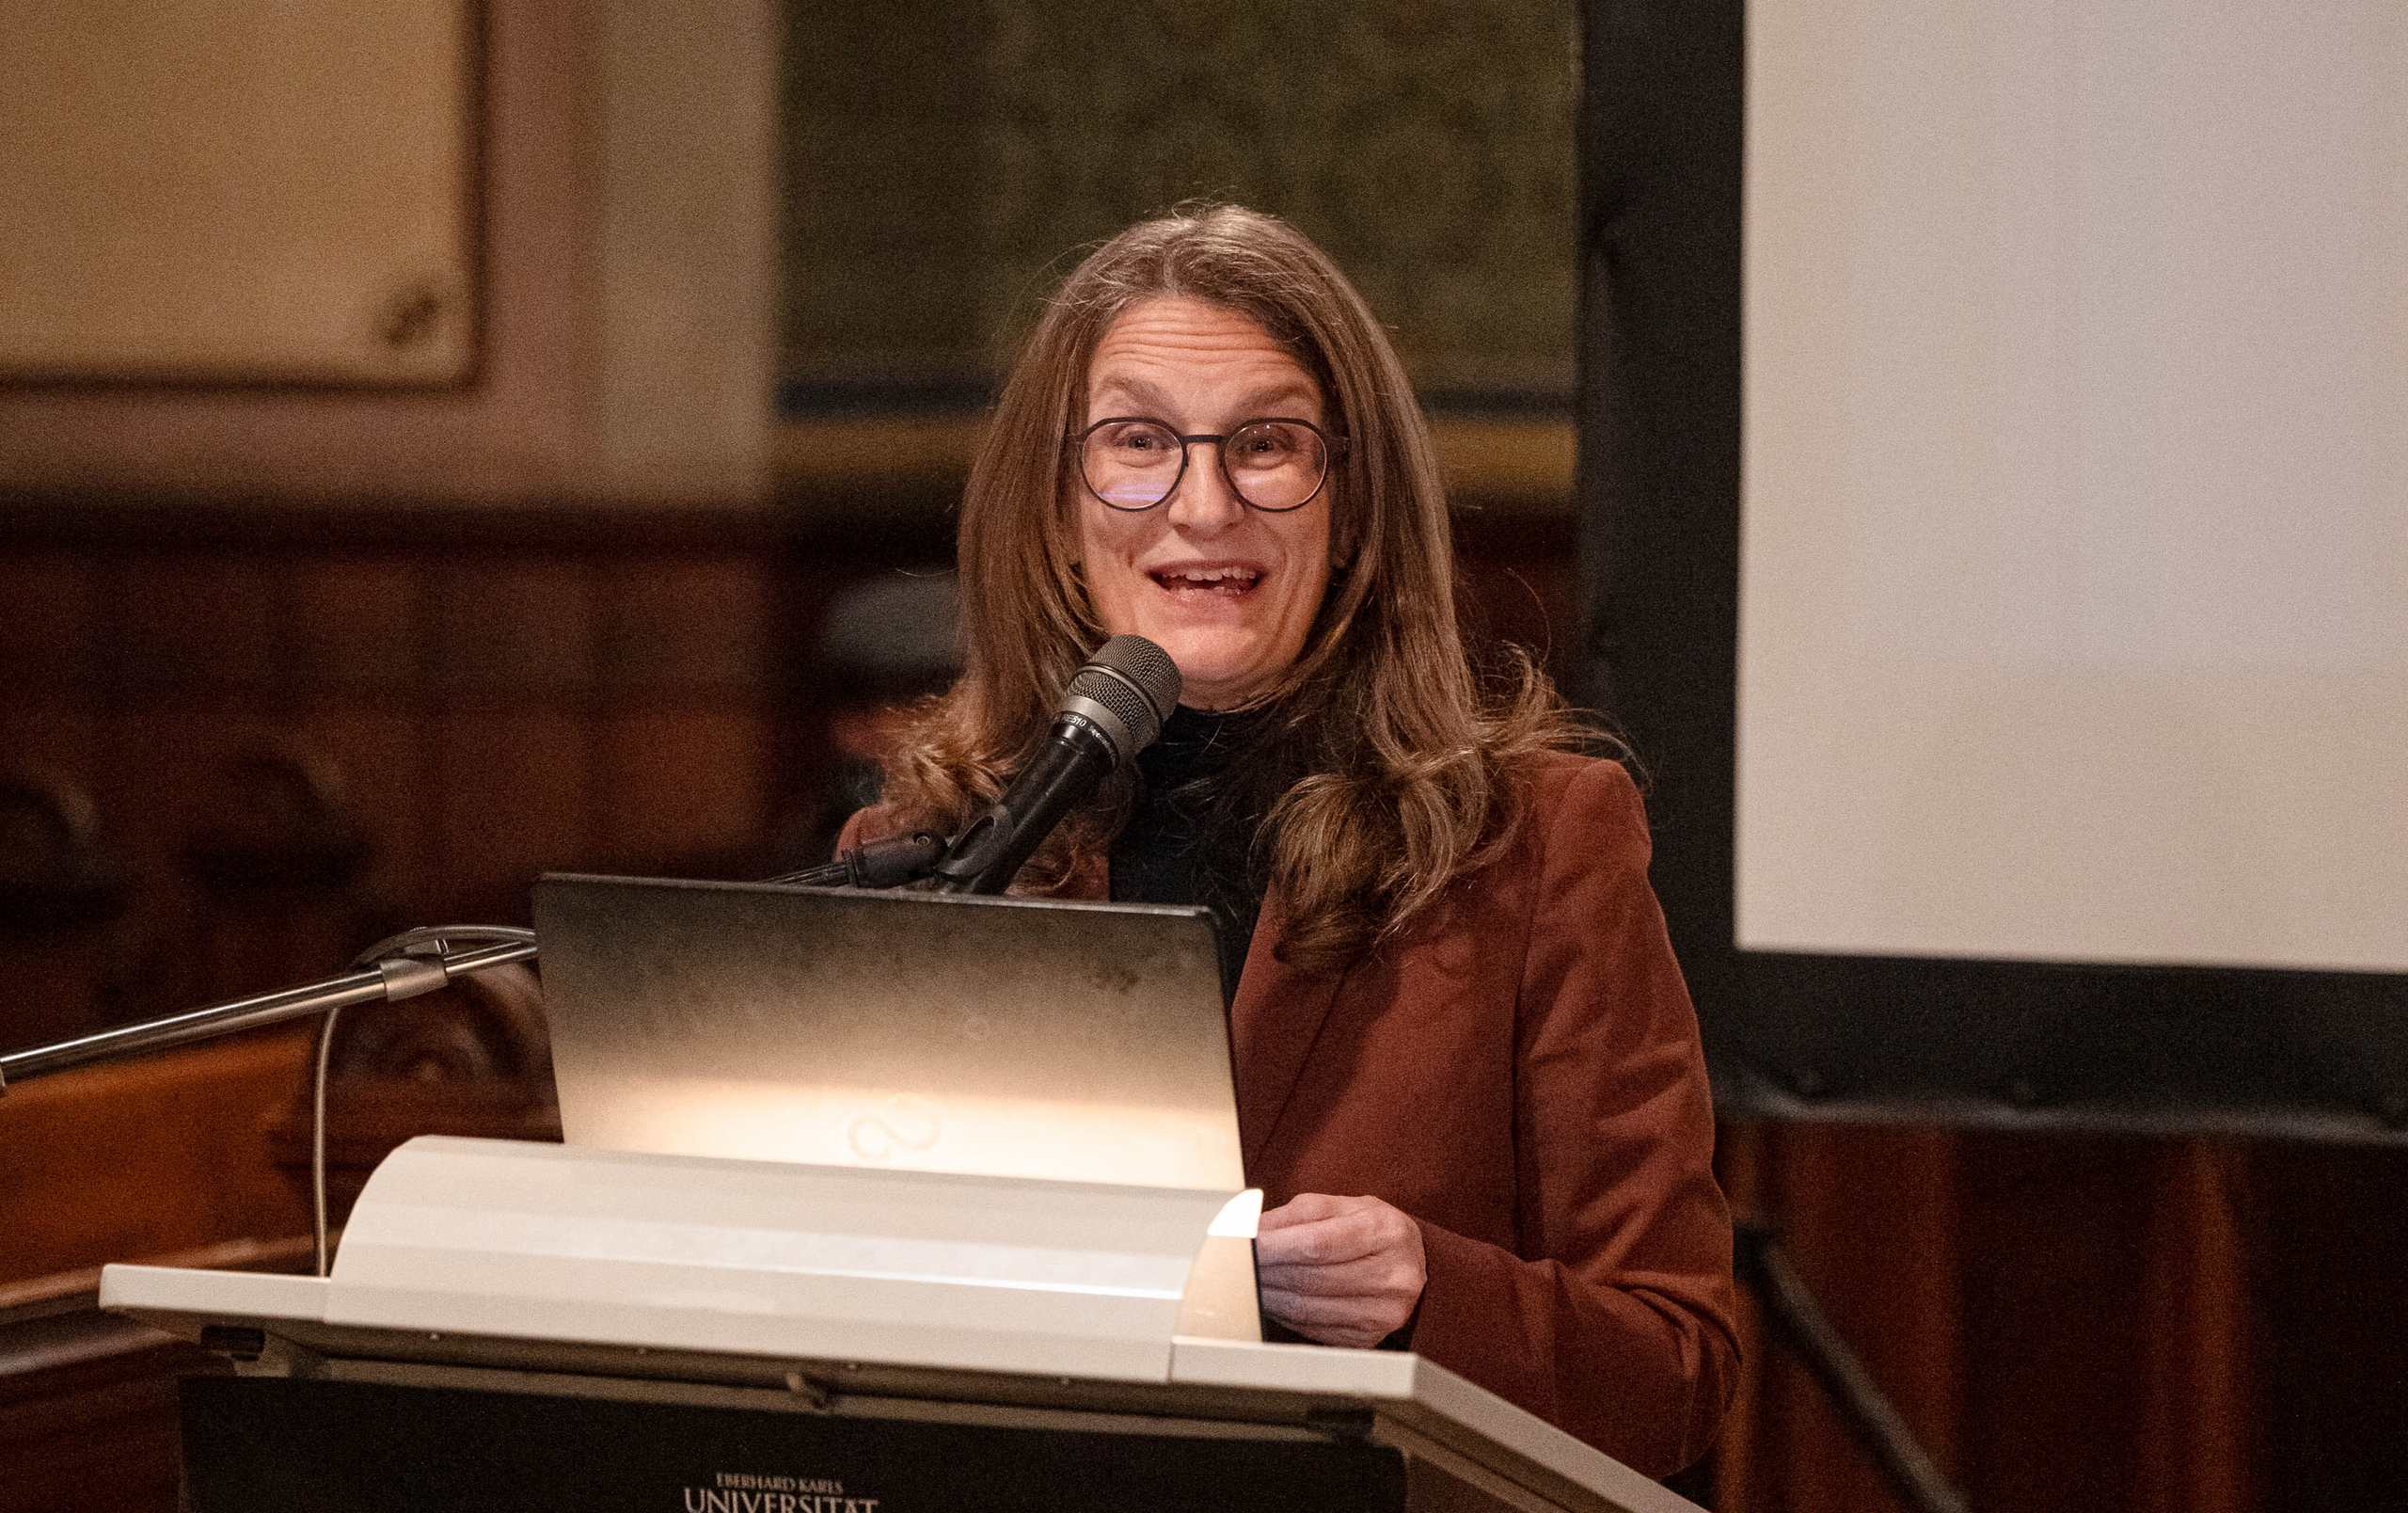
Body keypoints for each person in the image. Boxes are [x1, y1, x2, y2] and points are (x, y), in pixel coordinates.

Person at [838, 205, 1737, 1476]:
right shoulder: (922, 856)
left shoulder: (1538, 846)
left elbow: (1675, 1377)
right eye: (1138, 443)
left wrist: (1431, 1293)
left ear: (1354, 506)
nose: (1203, 507)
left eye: (1266, 445)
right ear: (1054, 506)